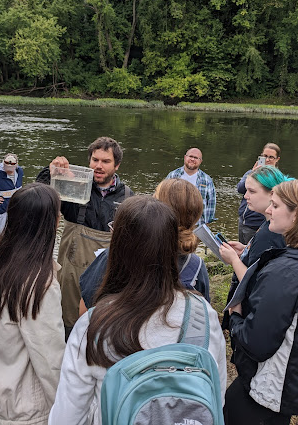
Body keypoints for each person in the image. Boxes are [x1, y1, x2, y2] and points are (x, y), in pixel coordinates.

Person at [49, 195, 227, 425]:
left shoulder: (92, 326)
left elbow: (67, 417)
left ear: (118, 248)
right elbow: (216, 395)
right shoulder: (203, 316)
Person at [224, 179, 298, 424]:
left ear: (297, 215)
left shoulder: (287, 273)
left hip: (267, 391)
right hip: (291, 384)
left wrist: (235, 315)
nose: (268, 210)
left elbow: (257, 343)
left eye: (275, 205)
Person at [0, 183, 66, 425]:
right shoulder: (40, 285)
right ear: (52, 224)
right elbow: (50, 360)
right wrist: (69, 411)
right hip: (22, 412)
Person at [36, 136, 133, 337]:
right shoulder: (74, 186)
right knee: (67, 329)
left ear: (117, 166)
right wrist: (51, 172)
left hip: (107, 280)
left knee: (102, 329)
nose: (98, 165)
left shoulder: (128, 198)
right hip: (71, 281)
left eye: (105, 161)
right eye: (94, 160)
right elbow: (38, 198)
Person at [79, 178, 210, 314]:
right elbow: (202, 312)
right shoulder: (196, 266)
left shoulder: (119, 253)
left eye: (154, 196)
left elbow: (86, 305)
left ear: (158, 212)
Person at [220, 166, 291, 330]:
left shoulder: (269, 234)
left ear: (272, 193)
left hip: (252, 314)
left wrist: (233, 260)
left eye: (251, 191)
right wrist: (246, 249)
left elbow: (257, 282)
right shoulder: (271, 226)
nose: (245, 196)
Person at [237, 142, 281, 244]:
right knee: (243, 253)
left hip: (258, 224)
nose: (268, 160)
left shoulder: (277, 178)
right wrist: (252, 173)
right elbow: (240, 189)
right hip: (243, 221)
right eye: (265, 156)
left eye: (271, 157)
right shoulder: (251, 172)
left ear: (277, 159)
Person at [166, 147, 216, 225]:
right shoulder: (172, 175)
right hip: (174, 222)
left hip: (197, 224)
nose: (192, 159)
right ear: (185, 157)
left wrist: (207, 222)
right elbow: (163, 196)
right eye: (190, 156)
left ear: (200, 161)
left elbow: (211, 202)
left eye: (196, 158)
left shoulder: (207, 180)